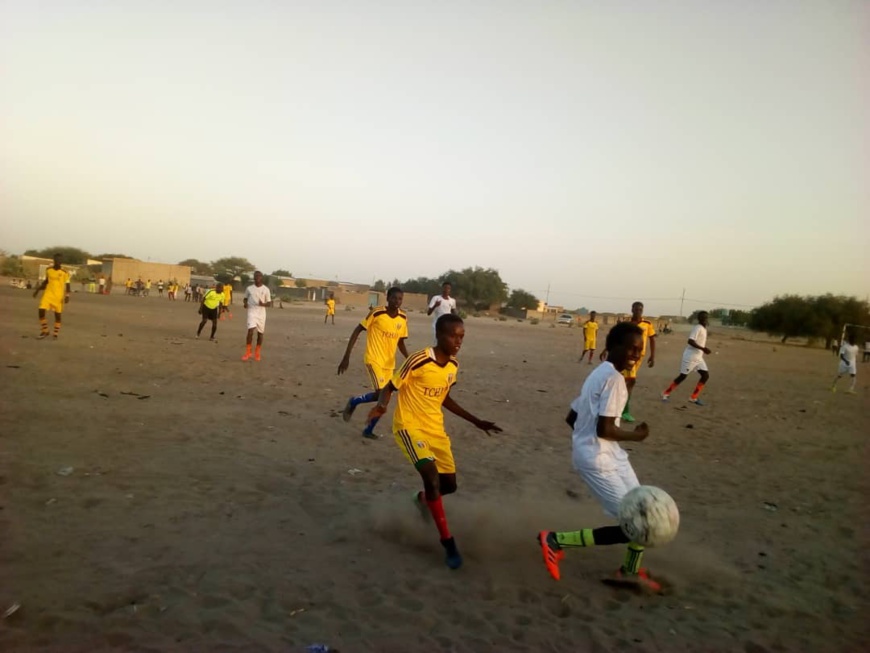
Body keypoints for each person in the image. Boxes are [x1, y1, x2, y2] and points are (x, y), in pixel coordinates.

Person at [367, 314, 501, 569]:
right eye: (454, 336)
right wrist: (382, 406)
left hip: (436, 432)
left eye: (462, 337)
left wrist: (476, 420)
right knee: (430, 475)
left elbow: (444, 398)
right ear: (439, 335)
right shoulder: (418, 359)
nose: (458, 341)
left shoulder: (453, 366)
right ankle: (447, 542)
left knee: (448, 485)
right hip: (409, 427)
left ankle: (421, 499)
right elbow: (390, 386)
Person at [537, 322, 662, 591]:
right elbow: (605, 428)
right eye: (629, 347)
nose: (635, 353)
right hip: (598, 460)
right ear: (612, 346)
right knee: (634, 524)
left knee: (644, 512)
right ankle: (555, 541)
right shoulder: (615, 379)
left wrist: (585, 439)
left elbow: (573, 417)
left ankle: (629, 571)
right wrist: (636, 436)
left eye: (639, 349)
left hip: (610, 455)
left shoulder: (599, 372)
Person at [338, 287, 410, 438]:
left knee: (385, 398)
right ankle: (354, 401)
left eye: (400, 299)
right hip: (374, 359)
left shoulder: (403, 317)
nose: (397, 302)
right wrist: (347, 356)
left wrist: (409, 359)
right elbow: (357, 330)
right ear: (388, 298)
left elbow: (400, 342)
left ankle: (368, 430)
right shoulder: (377, 313)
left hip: (389, 364)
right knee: (380, 394)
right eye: (394, 298)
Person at [600, 301, 655, 422]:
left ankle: (617, 406)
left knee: (625, 381)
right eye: (636, 309)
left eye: (640, 310)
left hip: (640, 356)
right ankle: (623, 411)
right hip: (630, 356)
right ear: (632, 310)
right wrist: (606, 349)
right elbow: (618, 338)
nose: (638, 312)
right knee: (630, 381)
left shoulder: (647, 324)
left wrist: (652, 356)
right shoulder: (628, 324)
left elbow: (652, 339)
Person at [662, 311, 711, 405]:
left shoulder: (704, 329)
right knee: (683, 376)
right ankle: (666, 393)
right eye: (703, 318)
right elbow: (690, 341)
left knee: (705, 376)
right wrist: (703, 348)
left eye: (706, 318)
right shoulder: (698, 328)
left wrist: (702, 350)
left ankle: (693, 397)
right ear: (699, 319)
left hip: (699, 357)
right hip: (690, 356)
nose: (705, 319)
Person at [32, 253, 70, 339]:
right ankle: (45, 331)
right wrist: (37, 290)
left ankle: (55, 333)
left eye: (59, 260)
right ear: (53, 260)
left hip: (58, 296)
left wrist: (67, 295)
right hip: (48, 294)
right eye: (56, 260)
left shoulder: (65, 272)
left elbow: (68, 285)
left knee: (57, 315)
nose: (57, 262)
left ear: (61, 261)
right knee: (41, 310)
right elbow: (46, 281)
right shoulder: (48, 270)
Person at [242, 271, 272, 361]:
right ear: (254, 278)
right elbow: (245, 298)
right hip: (252, 311)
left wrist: (263, 304)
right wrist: (245, 304)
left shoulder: (266, 289)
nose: (257, 278)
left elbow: (269, 303)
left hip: (261, 313)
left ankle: (257, 352)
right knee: (250, 331)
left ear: (262, 278)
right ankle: (248, 352)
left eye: (259, 276)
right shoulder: (249, 288)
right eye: (256, 276)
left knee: (260, 334)